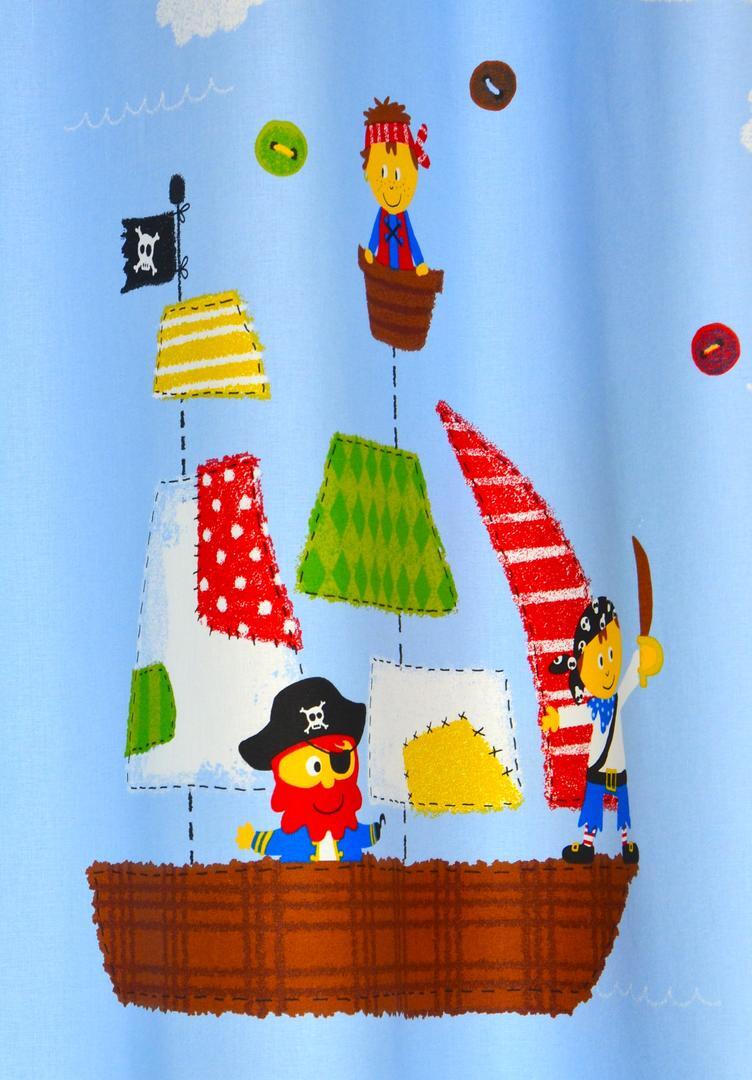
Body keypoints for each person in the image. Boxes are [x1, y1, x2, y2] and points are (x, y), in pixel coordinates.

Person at [542, 597, 663, 865]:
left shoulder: (617, 699)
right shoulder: (594, 706)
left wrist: (642, 656)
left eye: (611, 656)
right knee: (593, 807)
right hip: (598, 766)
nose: (607, 669)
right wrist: (558, 718)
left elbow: (631, 677)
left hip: (617, 767)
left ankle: (627, 843)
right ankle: (588, 845)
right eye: (599, 660)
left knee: (623, 808)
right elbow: (578, 714)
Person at [235, 676, 384, 863]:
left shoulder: (349, 831)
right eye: (314, 768)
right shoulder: (294, 836)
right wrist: (252, 838)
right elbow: (274, 841)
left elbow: (363, 835)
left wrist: (377, 830)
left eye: (339, 762)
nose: (328, 782)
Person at [361, 96, 431, 275]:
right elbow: (376, 233)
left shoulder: (403, 217)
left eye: (398, 175)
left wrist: (420, 262)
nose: (391, 185)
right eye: (382, 172)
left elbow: (411, 239)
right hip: (382, 263)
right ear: (368, 173)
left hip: (404, 266)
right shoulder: (382, 214)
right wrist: (370, 250)